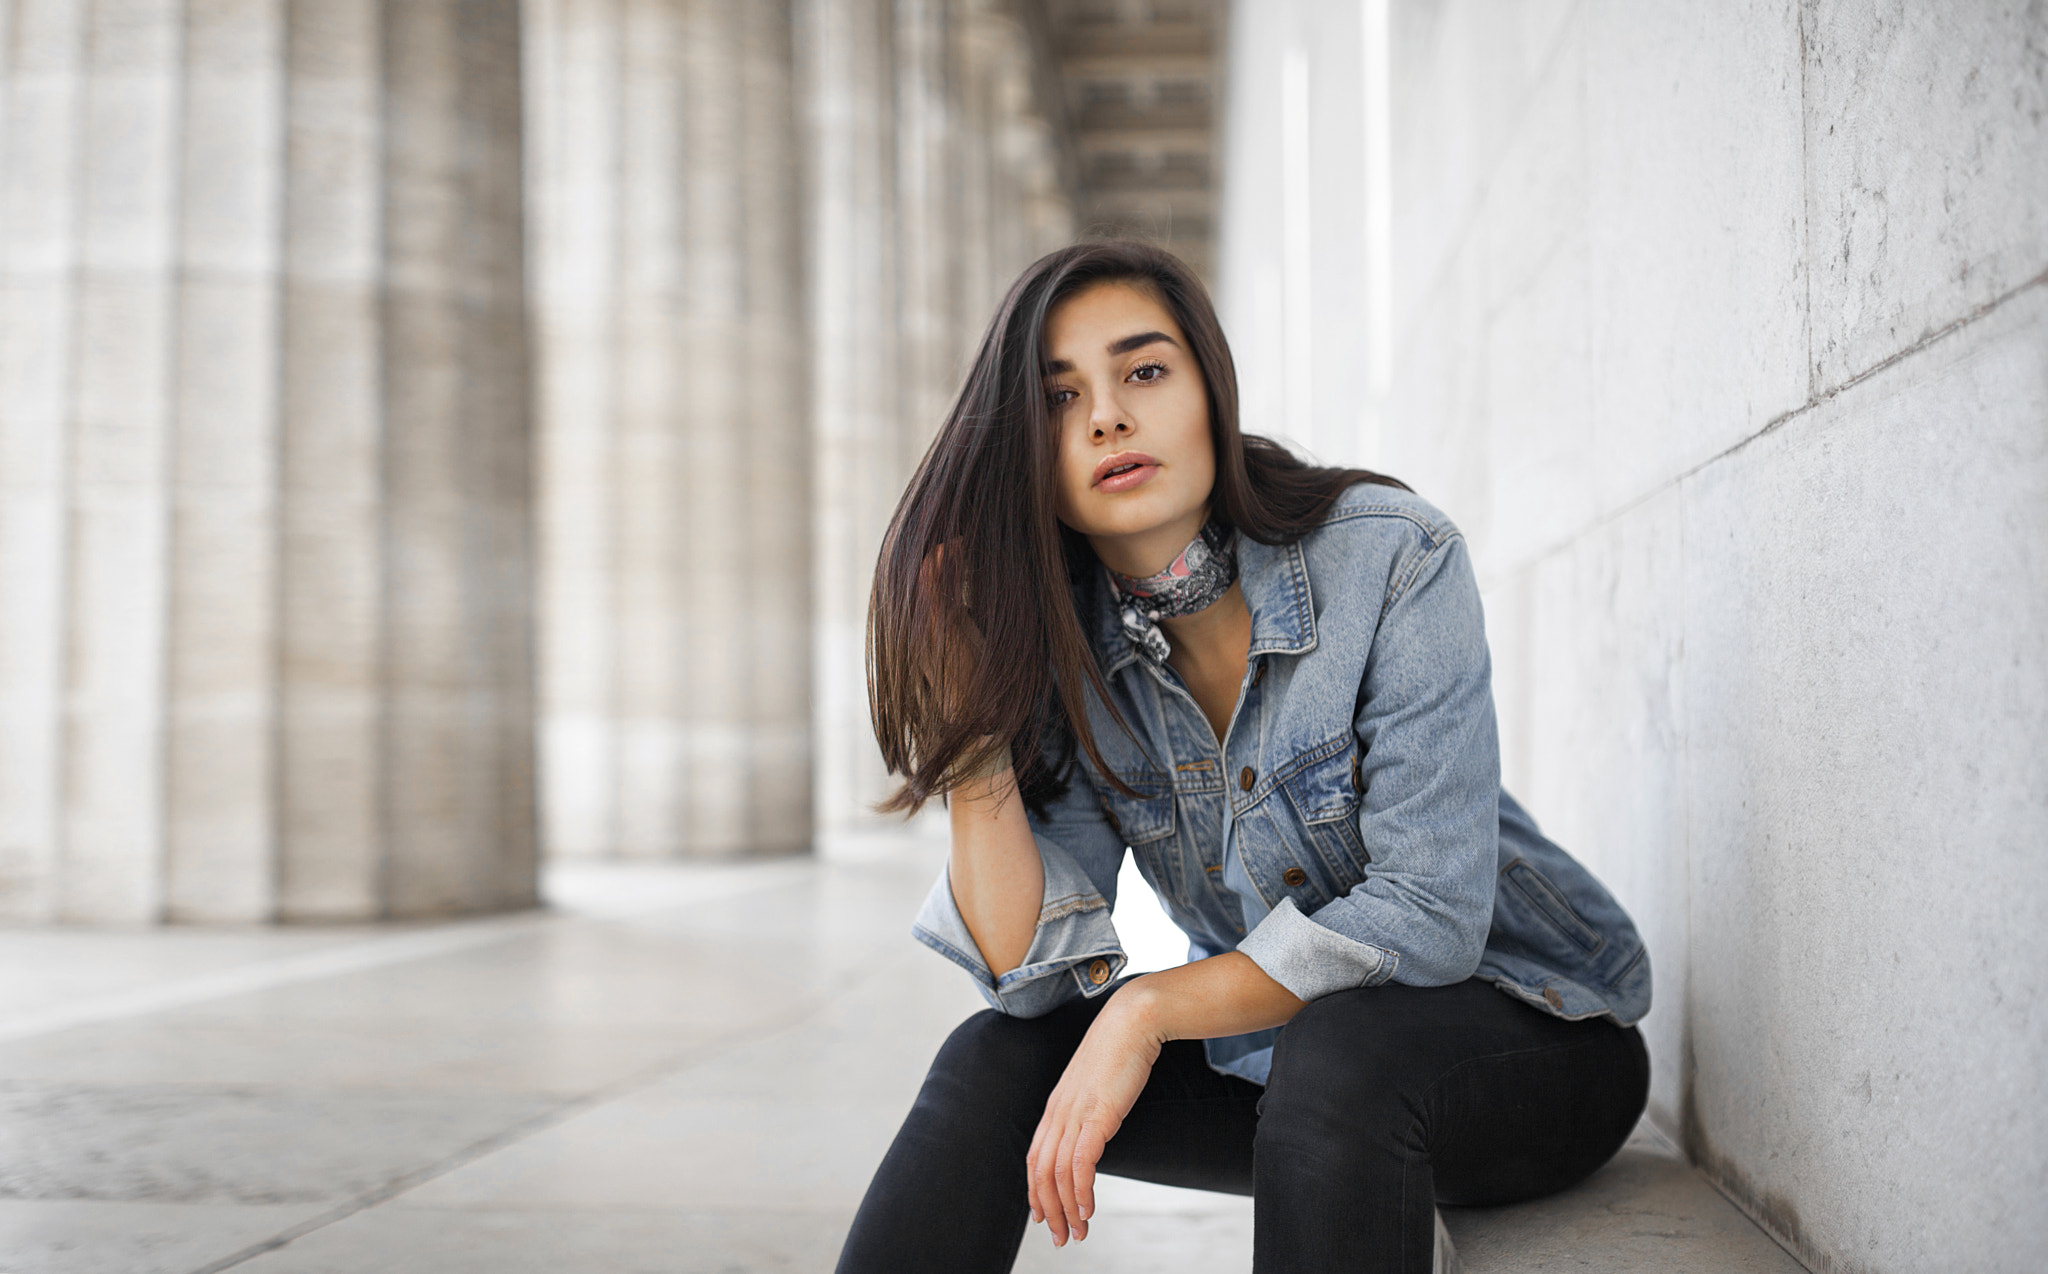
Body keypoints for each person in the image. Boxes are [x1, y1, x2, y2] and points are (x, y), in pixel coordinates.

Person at [837, 240, 1651, 1274]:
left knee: (1340, 1044)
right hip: (1302, 1078)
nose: (1105, 417)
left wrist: (1147, 1005)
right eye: (1057, 399)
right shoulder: (1069, 649)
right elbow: (1026, 979)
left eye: (1142, 371)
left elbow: (1429, 919)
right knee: (993, 1058)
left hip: (1538, 1039)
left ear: (1208, 388)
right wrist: (971, 724)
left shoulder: (1392, 557)